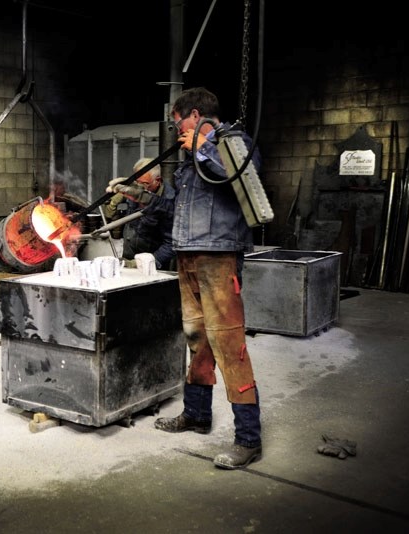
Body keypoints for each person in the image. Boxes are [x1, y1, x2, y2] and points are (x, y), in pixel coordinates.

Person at [152, 87, 263, 469]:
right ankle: (197, 414)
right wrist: (145, 193)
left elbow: (237, 178)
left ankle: (248, 439)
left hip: (218, 257)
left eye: (177, 122)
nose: (175, 130)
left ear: (195, 114)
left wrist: (201, 145)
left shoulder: (234, 143)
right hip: (188, 255)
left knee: (230, 346)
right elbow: (178, 208)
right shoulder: (190, 157)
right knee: (197, 340)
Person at [104, 157, 176, 270]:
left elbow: (171, 244)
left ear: (158, 180)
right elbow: (108, 215)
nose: (140, 187)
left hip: (150, 267)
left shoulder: (169, 202)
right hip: (128, 258)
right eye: (137, 182)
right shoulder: (135, 189)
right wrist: (114, 202)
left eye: (145, 184)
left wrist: (142, 263)